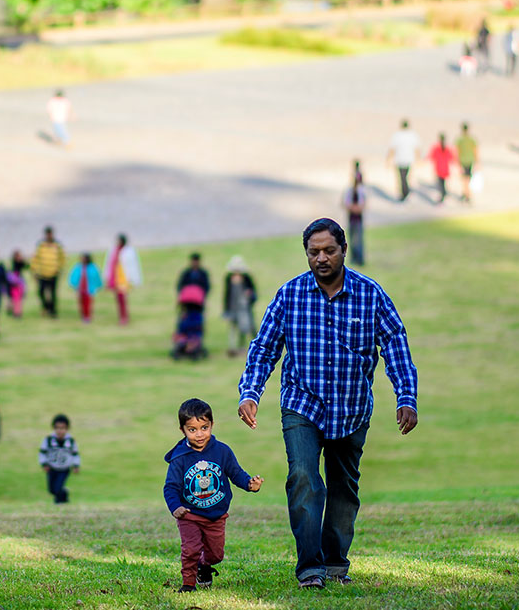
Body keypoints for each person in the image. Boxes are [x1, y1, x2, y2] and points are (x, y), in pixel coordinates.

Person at [238, 219, 419, 589]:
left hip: (351, 409)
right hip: (302, 404)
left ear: (344, 250)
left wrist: (406, 397)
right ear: (306, 254)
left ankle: (335, 564)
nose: (321, 258)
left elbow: (396, 345)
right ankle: (310, 569)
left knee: (343, 488)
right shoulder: (290, 295)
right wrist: (250, 391)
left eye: (328, 250)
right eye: (313, 252)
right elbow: (264, 347)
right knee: (303, 477)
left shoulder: (371, 295)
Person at [164, 398, 264, 593]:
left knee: (216, 555)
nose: (199, 434)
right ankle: (188, 584)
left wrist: (250, 484)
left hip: (216, 515)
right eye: (192, 430)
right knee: (190, 549)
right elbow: (170, 487)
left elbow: (236, 474)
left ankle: (204, 565)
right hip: (189, 514)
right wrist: (175, 507)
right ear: (182, 430)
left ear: (212, 425)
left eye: (204, 427)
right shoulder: (180, 458)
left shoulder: (222, 451)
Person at [222, 256, 258, 358]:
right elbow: (227, 294)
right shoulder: (229, 278)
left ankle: (256, 345)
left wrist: (249, 297)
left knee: (249, 326)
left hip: (245, 308)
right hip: (234, 307)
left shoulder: (246, 278)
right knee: (233, 328)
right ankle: (234, 347)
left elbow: (253, 293)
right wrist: (226, 309)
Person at [39, 414, 80, 504]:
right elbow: (42, 453)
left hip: (64, 469)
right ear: (54, 428)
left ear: (67, 428)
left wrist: (76, 465)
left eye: (63, 428)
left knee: (58, 488)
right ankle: (64, 494)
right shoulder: (49, 440)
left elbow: (75, 454)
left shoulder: (71, 441)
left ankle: (59, 503)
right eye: (57, 428)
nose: (60, 431)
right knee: (52, 490)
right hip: (52, 468)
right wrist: (44, 464)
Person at [104, 233, 143, 325]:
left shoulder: (129, 251)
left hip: (124, 278)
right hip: (115, 278)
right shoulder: (113, 250)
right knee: (118, 299)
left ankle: (124, 317)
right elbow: (108, 264)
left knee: (122, 298)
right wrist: (107, 277)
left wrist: (135, 279)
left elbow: (133, 266)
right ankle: (122, 316)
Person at [31, 226, 66, 318]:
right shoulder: (41, 245)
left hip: (53, 274)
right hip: (42, 274)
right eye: (47, 234)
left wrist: (59, 269)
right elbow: (36, 258)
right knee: (41, 292)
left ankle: (53, 311)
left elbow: (62, 258)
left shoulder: (57, 245)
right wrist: (34, 270)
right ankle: (46, 307)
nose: (49, 235)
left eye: (50, 233)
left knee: (53, 293)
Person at [385, 119, 420, 202]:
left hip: (400, 159)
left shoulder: (397, 135)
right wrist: (418, 158)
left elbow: (392, 148)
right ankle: (405, 192)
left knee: (402, 177)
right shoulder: (412, 135)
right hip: (408, 159)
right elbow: (417, 148)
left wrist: (388, 159)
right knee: (405, 177)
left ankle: (405, 193)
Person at [341, 162, 368, 268]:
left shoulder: (361, 191)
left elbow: (362, 204)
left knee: (358, 238)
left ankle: (359, 258)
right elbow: (345, 203)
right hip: (352, 217)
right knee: (352, 237)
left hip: (357, 218)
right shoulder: (350, 190)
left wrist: (356, 208)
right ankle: (354, 257)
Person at [68, 252, 103, 323]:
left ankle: (87, 316)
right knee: (81, 302)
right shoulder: (78, 267)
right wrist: (73, 284)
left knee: (88, 303)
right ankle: (83, 315)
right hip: (80, 289)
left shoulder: (93, 267)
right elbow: (74, 276)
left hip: (89, 289)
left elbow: (97, 277)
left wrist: (98, 285)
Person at [426, 132, 458, 205]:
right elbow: (451, 158)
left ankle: (443, 195)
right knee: (443, 183)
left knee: (441, 184)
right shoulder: (447, 148)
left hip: (439, 168)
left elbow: (431, 157)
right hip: (445, 168)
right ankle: (444, 194)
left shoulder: (436, 148)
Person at [454, 123, 479, 203]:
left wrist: (457, 162)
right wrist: (477, 161)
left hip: (463, 161)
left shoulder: (460, 139)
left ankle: (467, 194)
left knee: (464, 179)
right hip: (470, 160)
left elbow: (457, 151)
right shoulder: (472, 139)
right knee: (467, 178)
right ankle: (466, 193)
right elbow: (475, 150)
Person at [7, 250, 28, 319]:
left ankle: (16, 312)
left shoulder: (18, 263)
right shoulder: (15, 264)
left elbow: (27, 266)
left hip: (18, 283)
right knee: (16, 299)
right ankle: (16, 312)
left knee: (17, 299)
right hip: (15, 283)